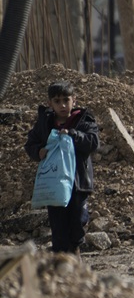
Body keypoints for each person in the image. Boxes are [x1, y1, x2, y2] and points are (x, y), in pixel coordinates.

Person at [25, 80, 100, 254]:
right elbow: (30, 144)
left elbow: (93, 142)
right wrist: (39, 151)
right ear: (50, 103)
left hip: (77, 181)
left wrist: (73, 135)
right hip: (54, 182)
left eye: (66, 100)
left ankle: (75, 250)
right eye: (57, 101)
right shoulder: (45, 124)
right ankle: (60, 259)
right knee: (57, 221)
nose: (63, 105)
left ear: (74, 100)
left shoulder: (83, 120)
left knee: (77, 218)